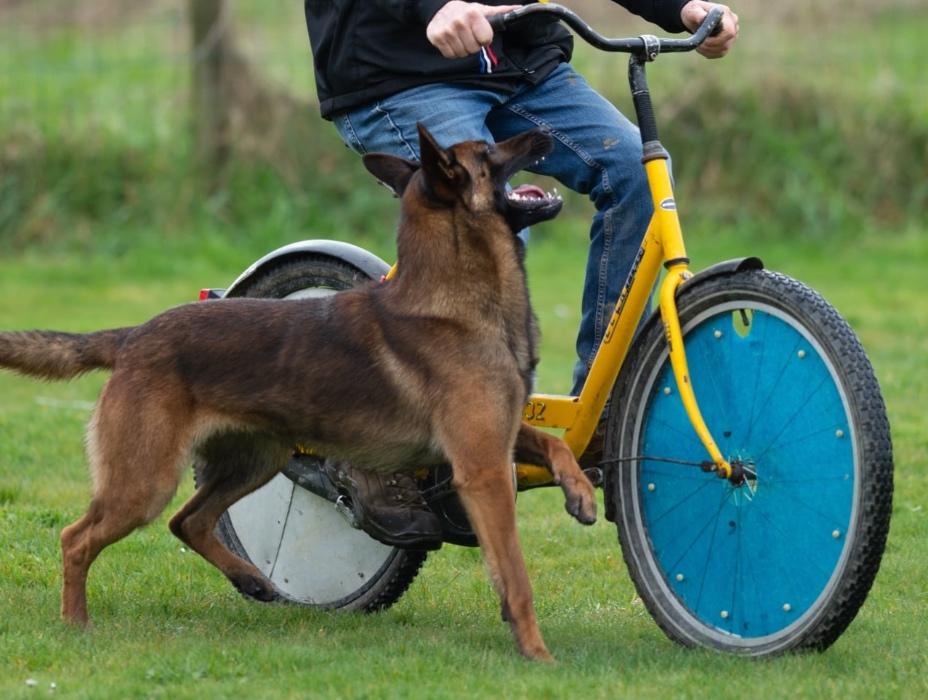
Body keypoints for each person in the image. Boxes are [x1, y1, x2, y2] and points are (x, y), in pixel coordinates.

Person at [303, 0, 739, 547]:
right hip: (400, 71)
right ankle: (370, 440)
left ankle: (606, 413)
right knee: (488, 226)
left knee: (636, 170)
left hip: (520, 64)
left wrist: (679, 8)